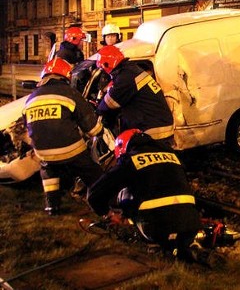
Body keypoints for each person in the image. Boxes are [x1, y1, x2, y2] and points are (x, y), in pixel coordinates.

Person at [87, 129, 202, 261]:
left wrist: (108, 213)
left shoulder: (130, 160)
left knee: (124, 194)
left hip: (156, 228)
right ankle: (184, 245)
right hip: (191, 224)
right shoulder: (173, 156)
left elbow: (94, 194)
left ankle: (153, 243)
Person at [22, 57, 104, 215]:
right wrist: (99, 132)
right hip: (70, 149)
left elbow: (28, 124)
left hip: (42, 151)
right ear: (66, 76)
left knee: (48, 170)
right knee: (91, 170)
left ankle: (52, 206)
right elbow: (92, 127)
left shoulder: (31, 98)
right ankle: (103, 200)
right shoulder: (70, 93)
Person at [95, 45, 175, 147]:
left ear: (106, 65)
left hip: (153, 130)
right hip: (160, 124)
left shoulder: (125, 77)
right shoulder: (131, 70)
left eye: (102, 68)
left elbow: (109, 104)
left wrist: (97, 110)